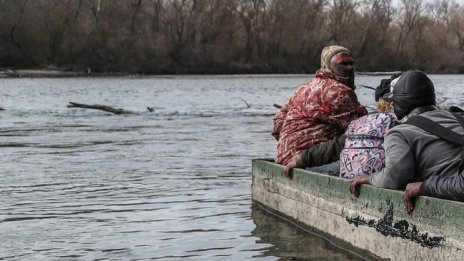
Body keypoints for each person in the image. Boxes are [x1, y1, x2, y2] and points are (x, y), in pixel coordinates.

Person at [349, 70, 464, 213]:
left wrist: (369, 179)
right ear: (432, 98)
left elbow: (395, 177)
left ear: (398, 104)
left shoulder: (399, 133)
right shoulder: (458, 116)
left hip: (454, 190)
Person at [283, 74, 399, 177]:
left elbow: (338, 145)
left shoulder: (370, 122)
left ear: (381, 102)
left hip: (378, 175)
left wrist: (302, 160)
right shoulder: (403, 120)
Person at [273, 45, 367, 169]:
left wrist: (289, 144)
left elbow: (277, 125)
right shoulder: (340, 91)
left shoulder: (304, 88)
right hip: (309, 159)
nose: (349, 67)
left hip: (283, 157)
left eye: (351, 63)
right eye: (343, 64)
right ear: (328, 65)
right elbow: (364, 130)